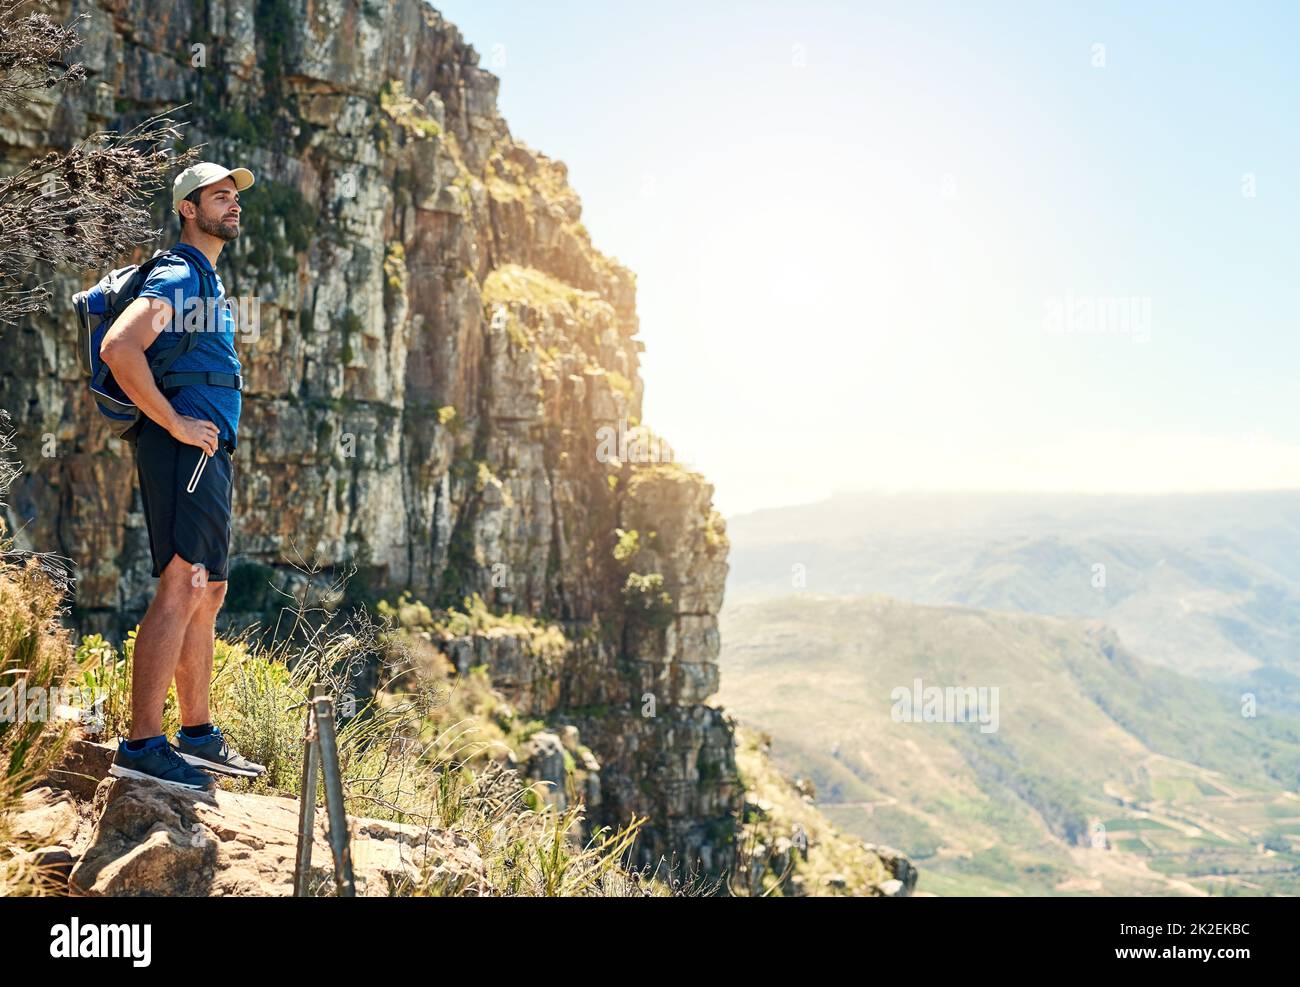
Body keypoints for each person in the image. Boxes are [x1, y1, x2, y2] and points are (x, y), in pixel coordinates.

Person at [99, 162, 266, 791]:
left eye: (235, 198)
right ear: (188, 210)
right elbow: (120, 347)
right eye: (219, 198)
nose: (233, 206)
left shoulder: (205, 279)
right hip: (184, 450)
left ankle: (197, 737)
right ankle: (142, 744)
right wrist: (171, 422)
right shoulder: (177, 273)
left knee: (210, 588)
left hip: (207, 451)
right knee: (182, 583)